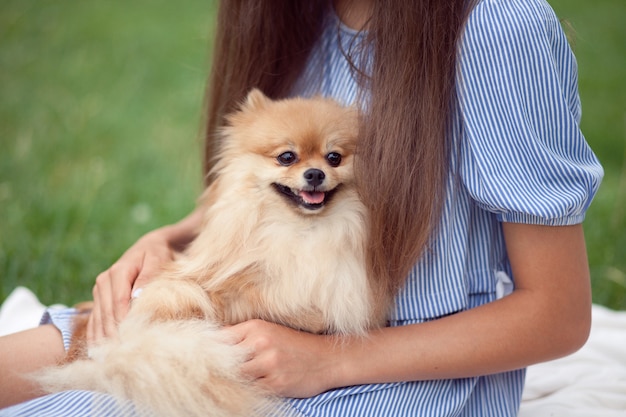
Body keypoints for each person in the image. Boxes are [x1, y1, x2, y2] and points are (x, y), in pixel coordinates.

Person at [0, 0, 604, 415]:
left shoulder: (500, 30)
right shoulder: (296, 15)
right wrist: (170, 240)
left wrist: (330, 360)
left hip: (394, 384)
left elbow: (558, 313)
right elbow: (264, 194)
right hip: (240, 318)